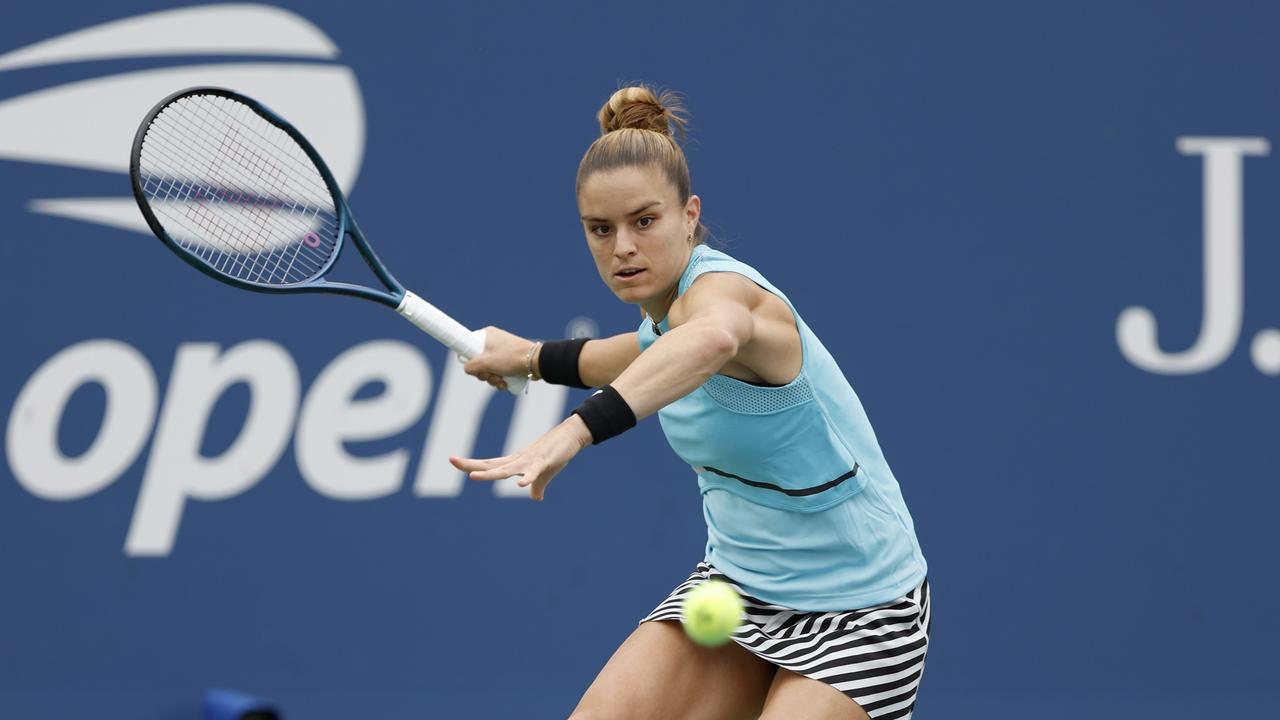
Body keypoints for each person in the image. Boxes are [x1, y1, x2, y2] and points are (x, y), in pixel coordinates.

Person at [450, 85, 930, 720]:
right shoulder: (663, 322)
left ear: (689, 216)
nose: (622, 246)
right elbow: (635, 350)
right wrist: (531, 358)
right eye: (601, 229)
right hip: (739, 589)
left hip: (865, 606)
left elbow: (710, 340)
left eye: (643, 221)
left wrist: (574, 431)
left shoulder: (727, 296)